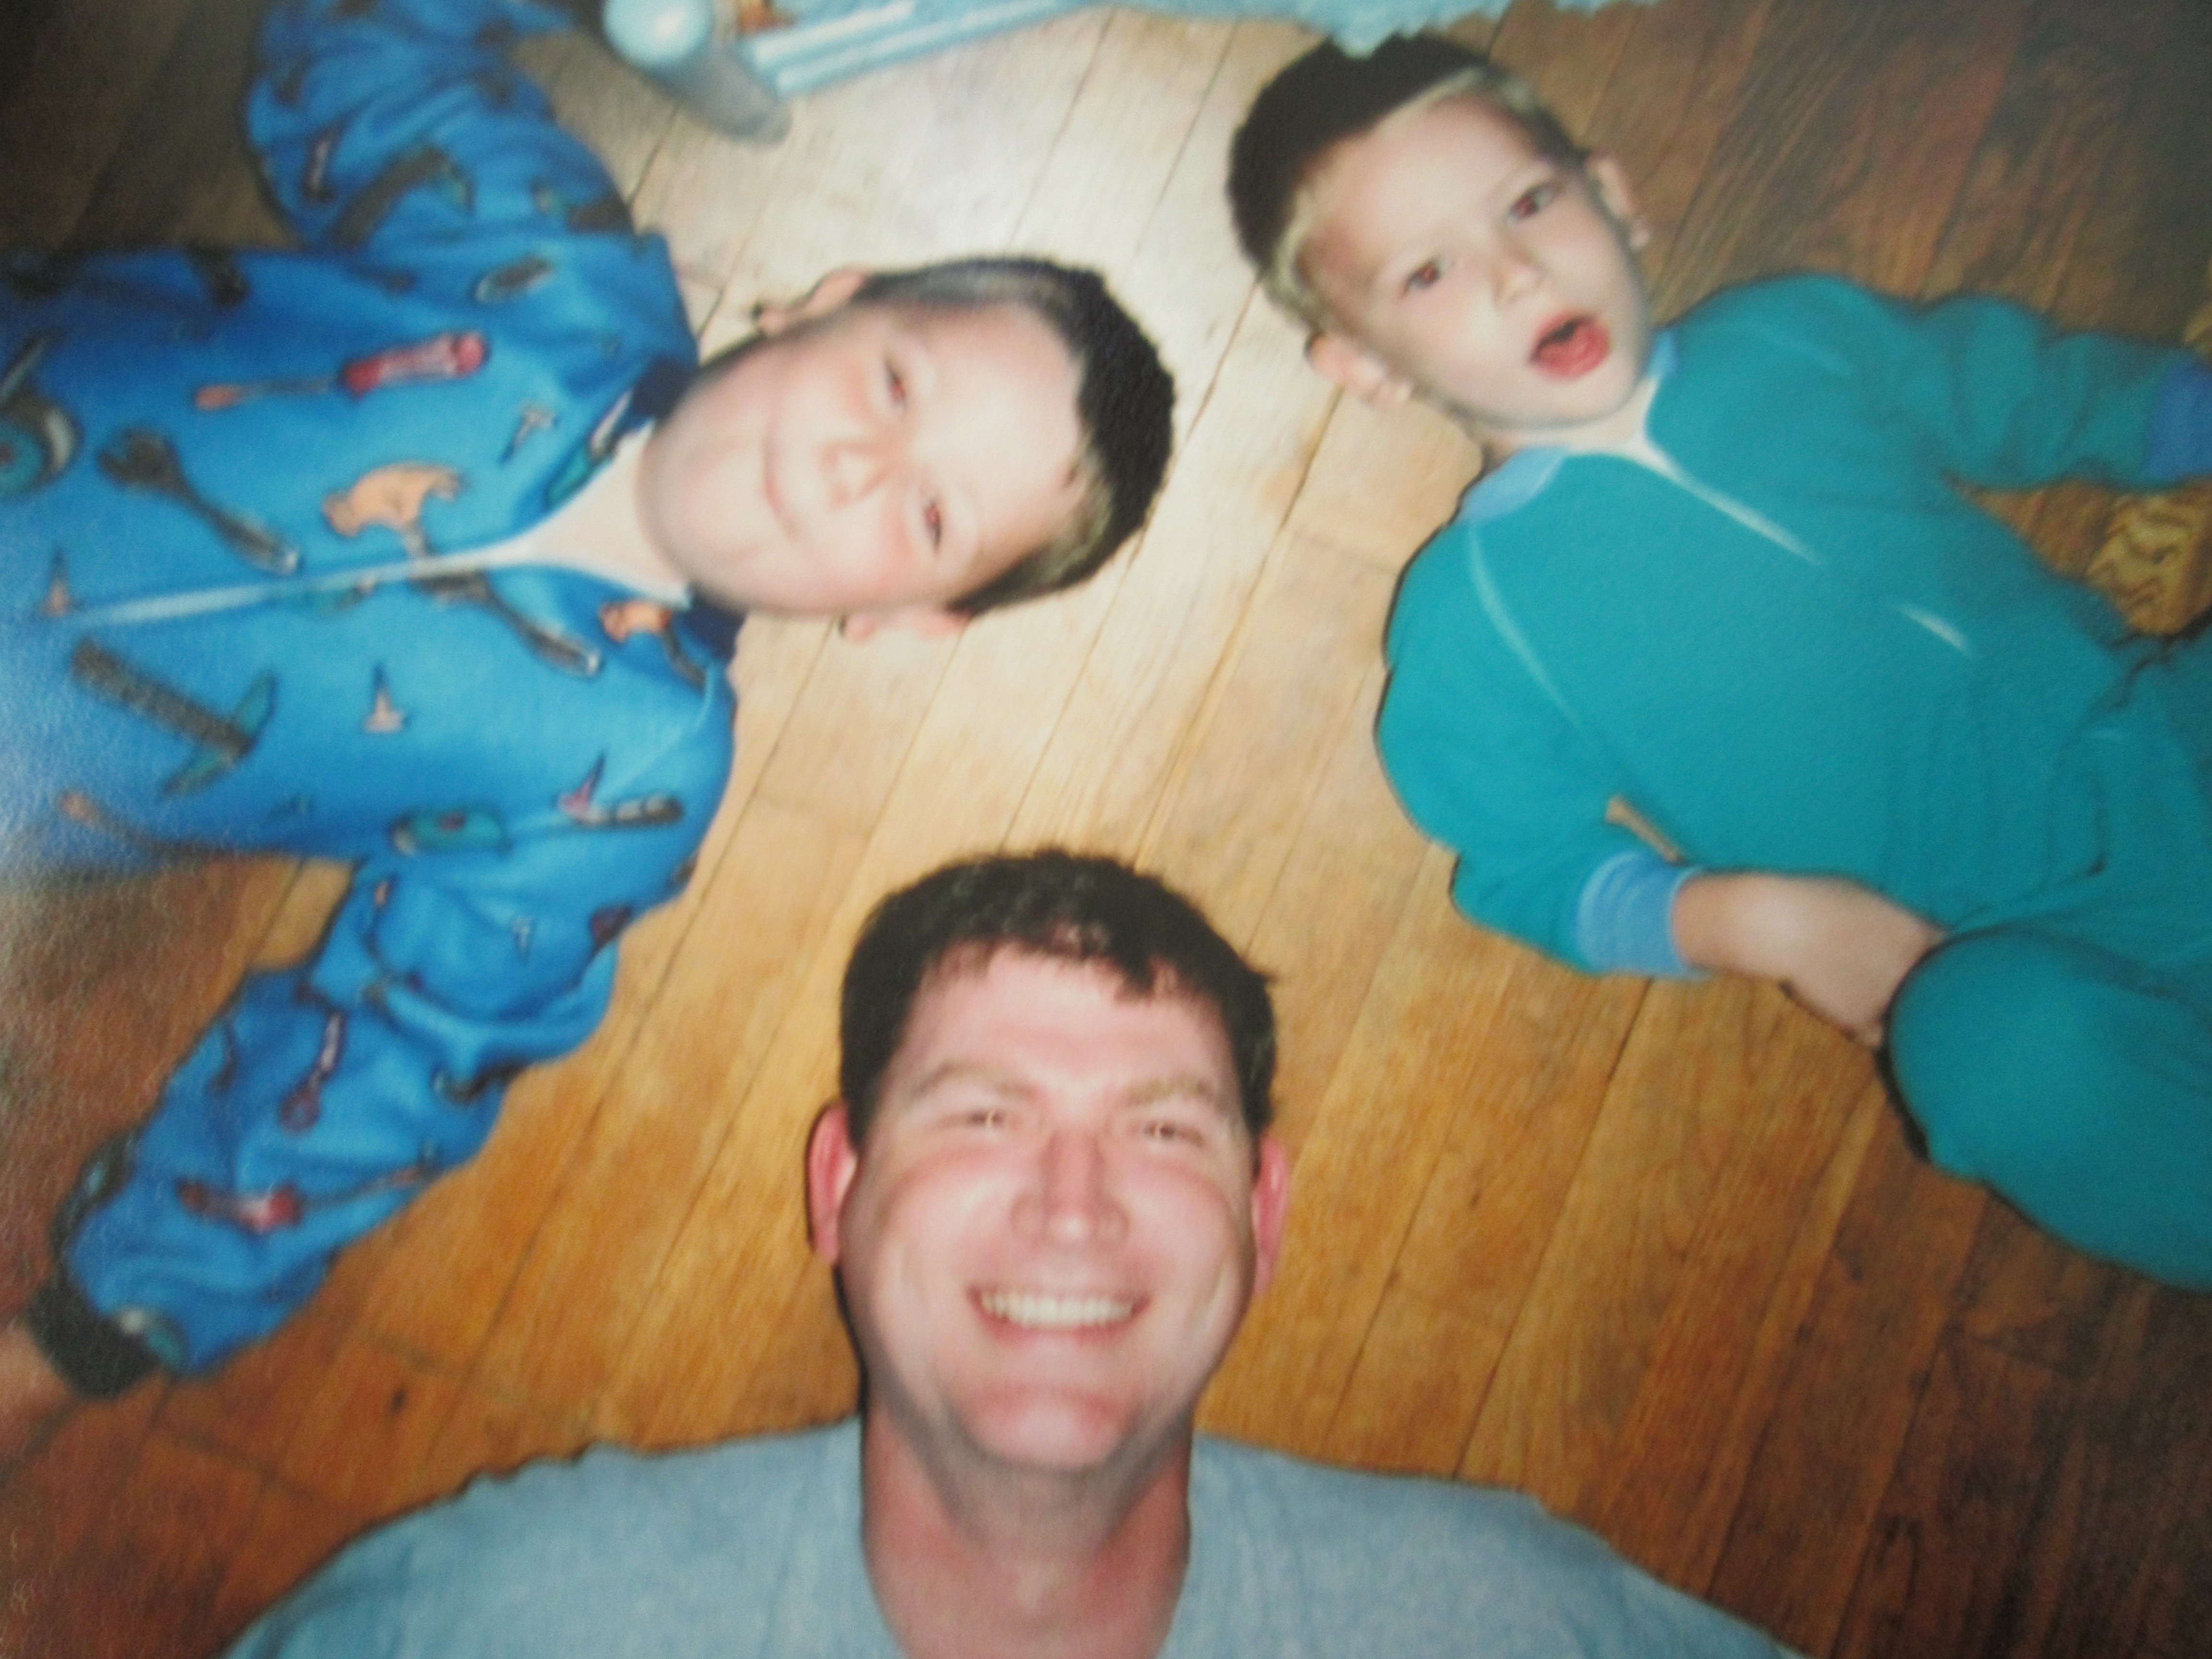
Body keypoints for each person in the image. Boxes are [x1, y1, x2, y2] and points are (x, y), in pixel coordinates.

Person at [0, 0, 1174, 1469]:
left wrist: (79, 1340)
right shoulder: (541, 266)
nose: (853, 466)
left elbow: (395, 1058)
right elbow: (358, 44)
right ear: (827, 299)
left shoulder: (626, 770)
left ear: (909, 619)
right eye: (893, 383)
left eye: (928, 516)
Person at [220, 849, 1792, 1659]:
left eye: (1163, 1129)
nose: (1073, 1204)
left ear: (1263, 1220)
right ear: (838, 1189)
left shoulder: (1504, 1628)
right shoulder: (508, 1626)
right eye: (983, 1117)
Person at [1225, 36, 2212, 1286]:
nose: (1520, 272)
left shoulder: (1789, 338)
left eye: (1530, 204)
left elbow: (2024, 394)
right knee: (1981, 1054)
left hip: (2170, 735)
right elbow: (1527, 866)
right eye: (1429, 271)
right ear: (1365, 365)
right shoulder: (1477, 620)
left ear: (1613, 196)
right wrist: (1761, 924)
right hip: (2013, 953)